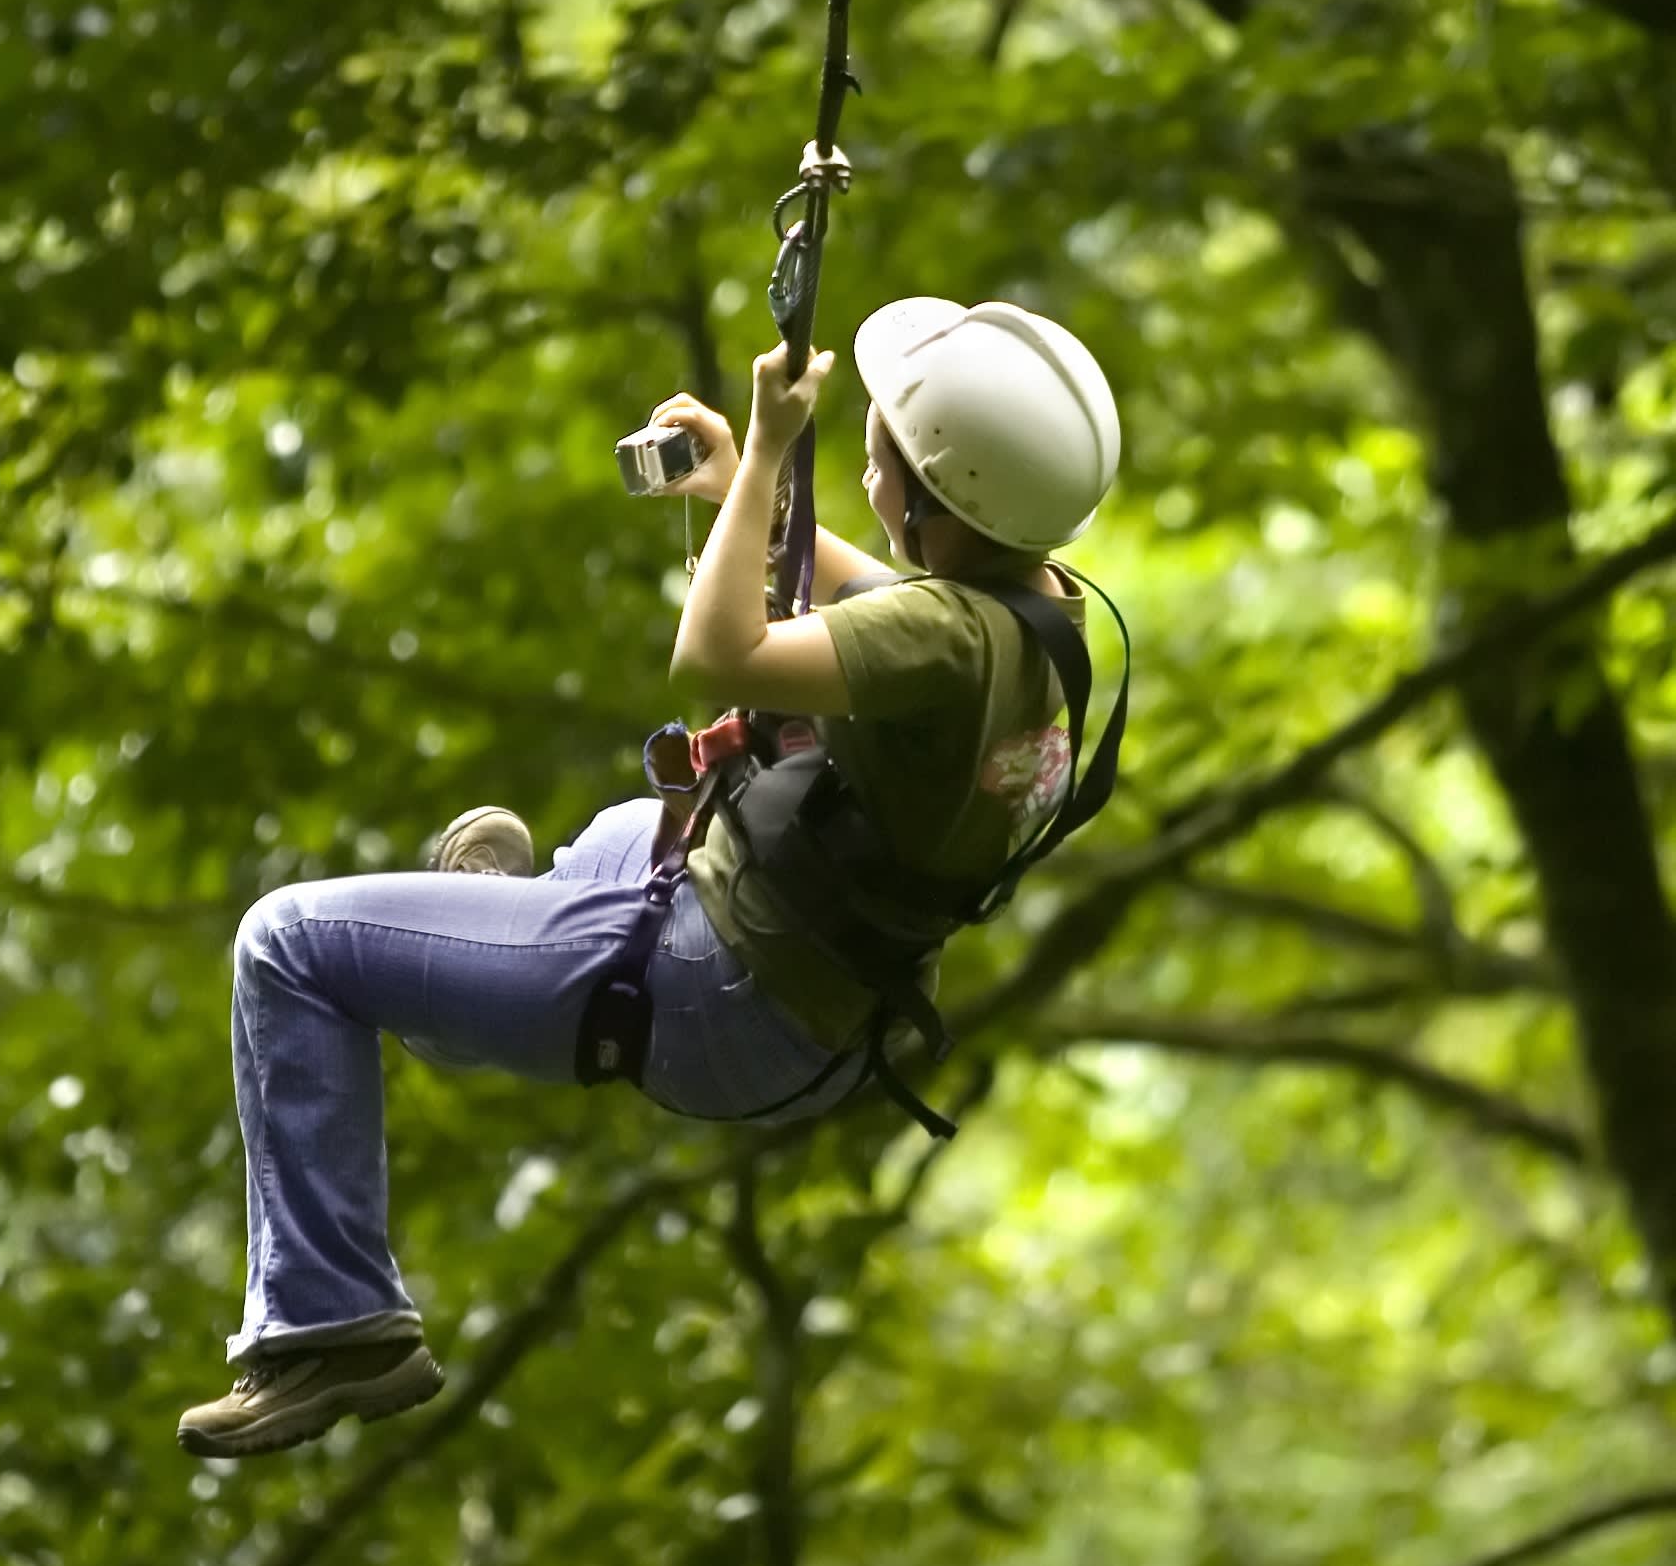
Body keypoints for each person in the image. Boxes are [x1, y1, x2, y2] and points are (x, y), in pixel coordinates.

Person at [177, 297, 1121, 1458]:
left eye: (873, 447)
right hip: (809, 989)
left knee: (288, 944)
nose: (862, 458)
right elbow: (878, 601)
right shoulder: (1031, 615)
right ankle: (489, 939)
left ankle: (332, 1327)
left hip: (715, 994)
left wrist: (772, 445)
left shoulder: (941, 639)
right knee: (632, 823)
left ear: (934, 493)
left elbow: (711, 657)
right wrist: (745, 492)